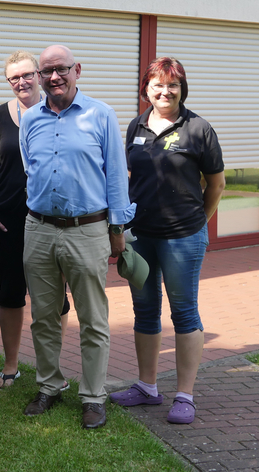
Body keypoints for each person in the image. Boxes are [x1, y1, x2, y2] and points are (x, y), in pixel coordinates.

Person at [19, 44, 135, 429]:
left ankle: (93, 396)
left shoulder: (100, 115)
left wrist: (117, 230)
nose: (53, 77)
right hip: (38, 229)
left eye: (61, 69)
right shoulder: (30, 119)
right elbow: (29, 170)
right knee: (44, 317)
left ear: (77, 70)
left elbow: (117, 176)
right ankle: (49, 386)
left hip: (88, 230)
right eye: (46, 71)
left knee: (93, 319)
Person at [109, 57, 225, 425]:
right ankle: (146, 387)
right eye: (158, 84)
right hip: (141, 237)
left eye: (172, 85)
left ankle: (185, 395)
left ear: (182, 88)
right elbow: (130, 178)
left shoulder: (198, 129)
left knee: (184, 312)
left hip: (183, 238)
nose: (165, 91)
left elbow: (217, 184)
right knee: (144, 311)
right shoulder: (135, 126)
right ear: (146, 88)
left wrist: (196, 225)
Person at [0, 50, 71, 389]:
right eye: (13, 77)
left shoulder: (58, 111)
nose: (22, 82)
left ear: (39, 75)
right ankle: (11, 365)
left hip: (50, 217)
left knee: (54, 295)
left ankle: (52, 366)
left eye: (27, 75)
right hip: (6, 218)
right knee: (10, 291)